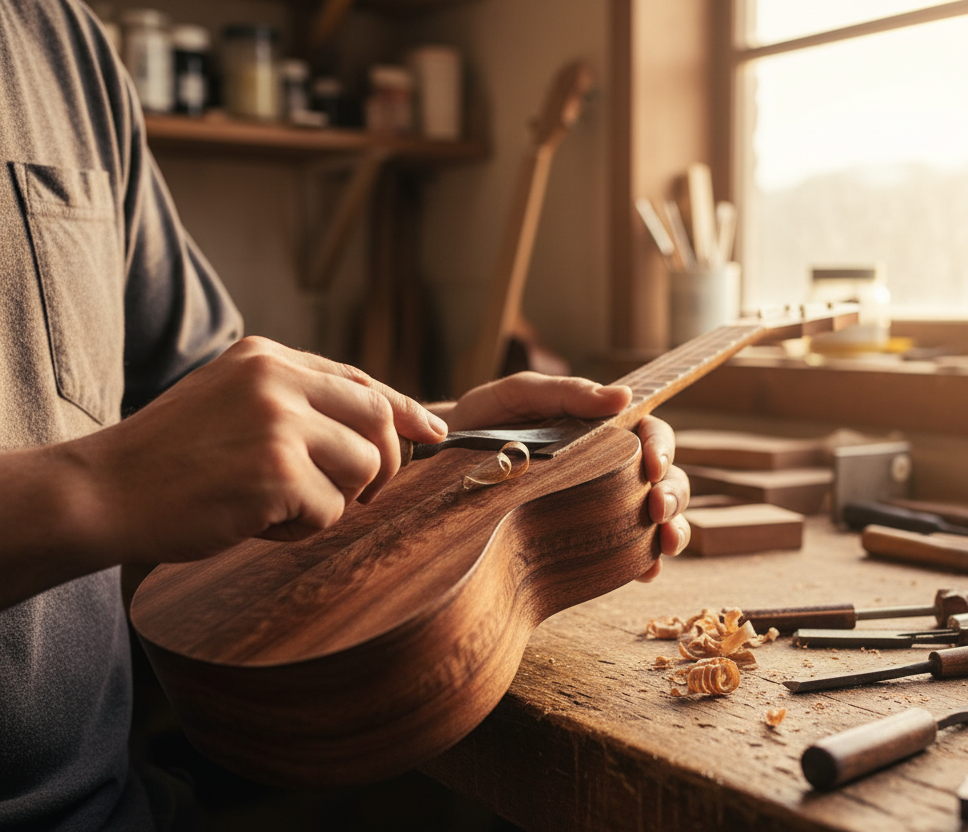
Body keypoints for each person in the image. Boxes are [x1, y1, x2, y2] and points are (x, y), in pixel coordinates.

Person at [0, 1, 690, 830]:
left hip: (118, 806)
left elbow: (202, 421)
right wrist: (98, 488)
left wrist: (433, 439)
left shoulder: (61, 40)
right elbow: (139, 469)